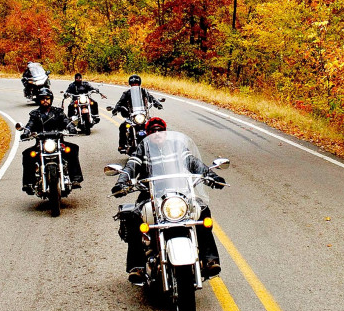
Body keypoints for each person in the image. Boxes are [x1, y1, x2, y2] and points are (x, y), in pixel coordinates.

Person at [110, 127, 225, 284]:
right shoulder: (143, 149)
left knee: (202, 211)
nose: (157, 134)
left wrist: (212, 176)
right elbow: (131, 166)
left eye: (160, 130)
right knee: (135, 218)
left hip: (179, 193)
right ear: (148, 135)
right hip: (150, 195)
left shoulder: (177, 148)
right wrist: (121, 183)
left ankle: (209, 259)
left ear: (165, 132)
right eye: (153, 131)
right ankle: (137, 266)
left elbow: (194, 162)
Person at [19, 88, 82, 194]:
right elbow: (30, 124)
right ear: (39, 100)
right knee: (27, 154)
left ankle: (75, 178)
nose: (45, 101)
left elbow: (66, 121)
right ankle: (28, 183)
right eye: (43, 99)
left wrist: (71, 127)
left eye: (47, 99)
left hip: (58, 142)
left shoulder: (58, 112)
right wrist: (26, 132)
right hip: (41, 144)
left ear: (51, 100)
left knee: (73, 149)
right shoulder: (35, 114)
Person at [112, 74, 163, 153]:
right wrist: (116, 108)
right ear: (130, 84)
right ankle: (122, 145)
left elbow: (151, 98)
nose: (134, 85)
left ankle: (158, 144)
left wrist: (157, 104)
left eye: (136, 83)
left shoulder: (143, 91)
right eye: (133, 84)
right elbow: (120, 102)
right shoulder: (127, 93)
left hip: (143, 115)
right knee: (122, 126)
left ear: (139, 84)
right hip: (131, 115)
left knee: (154, 126)